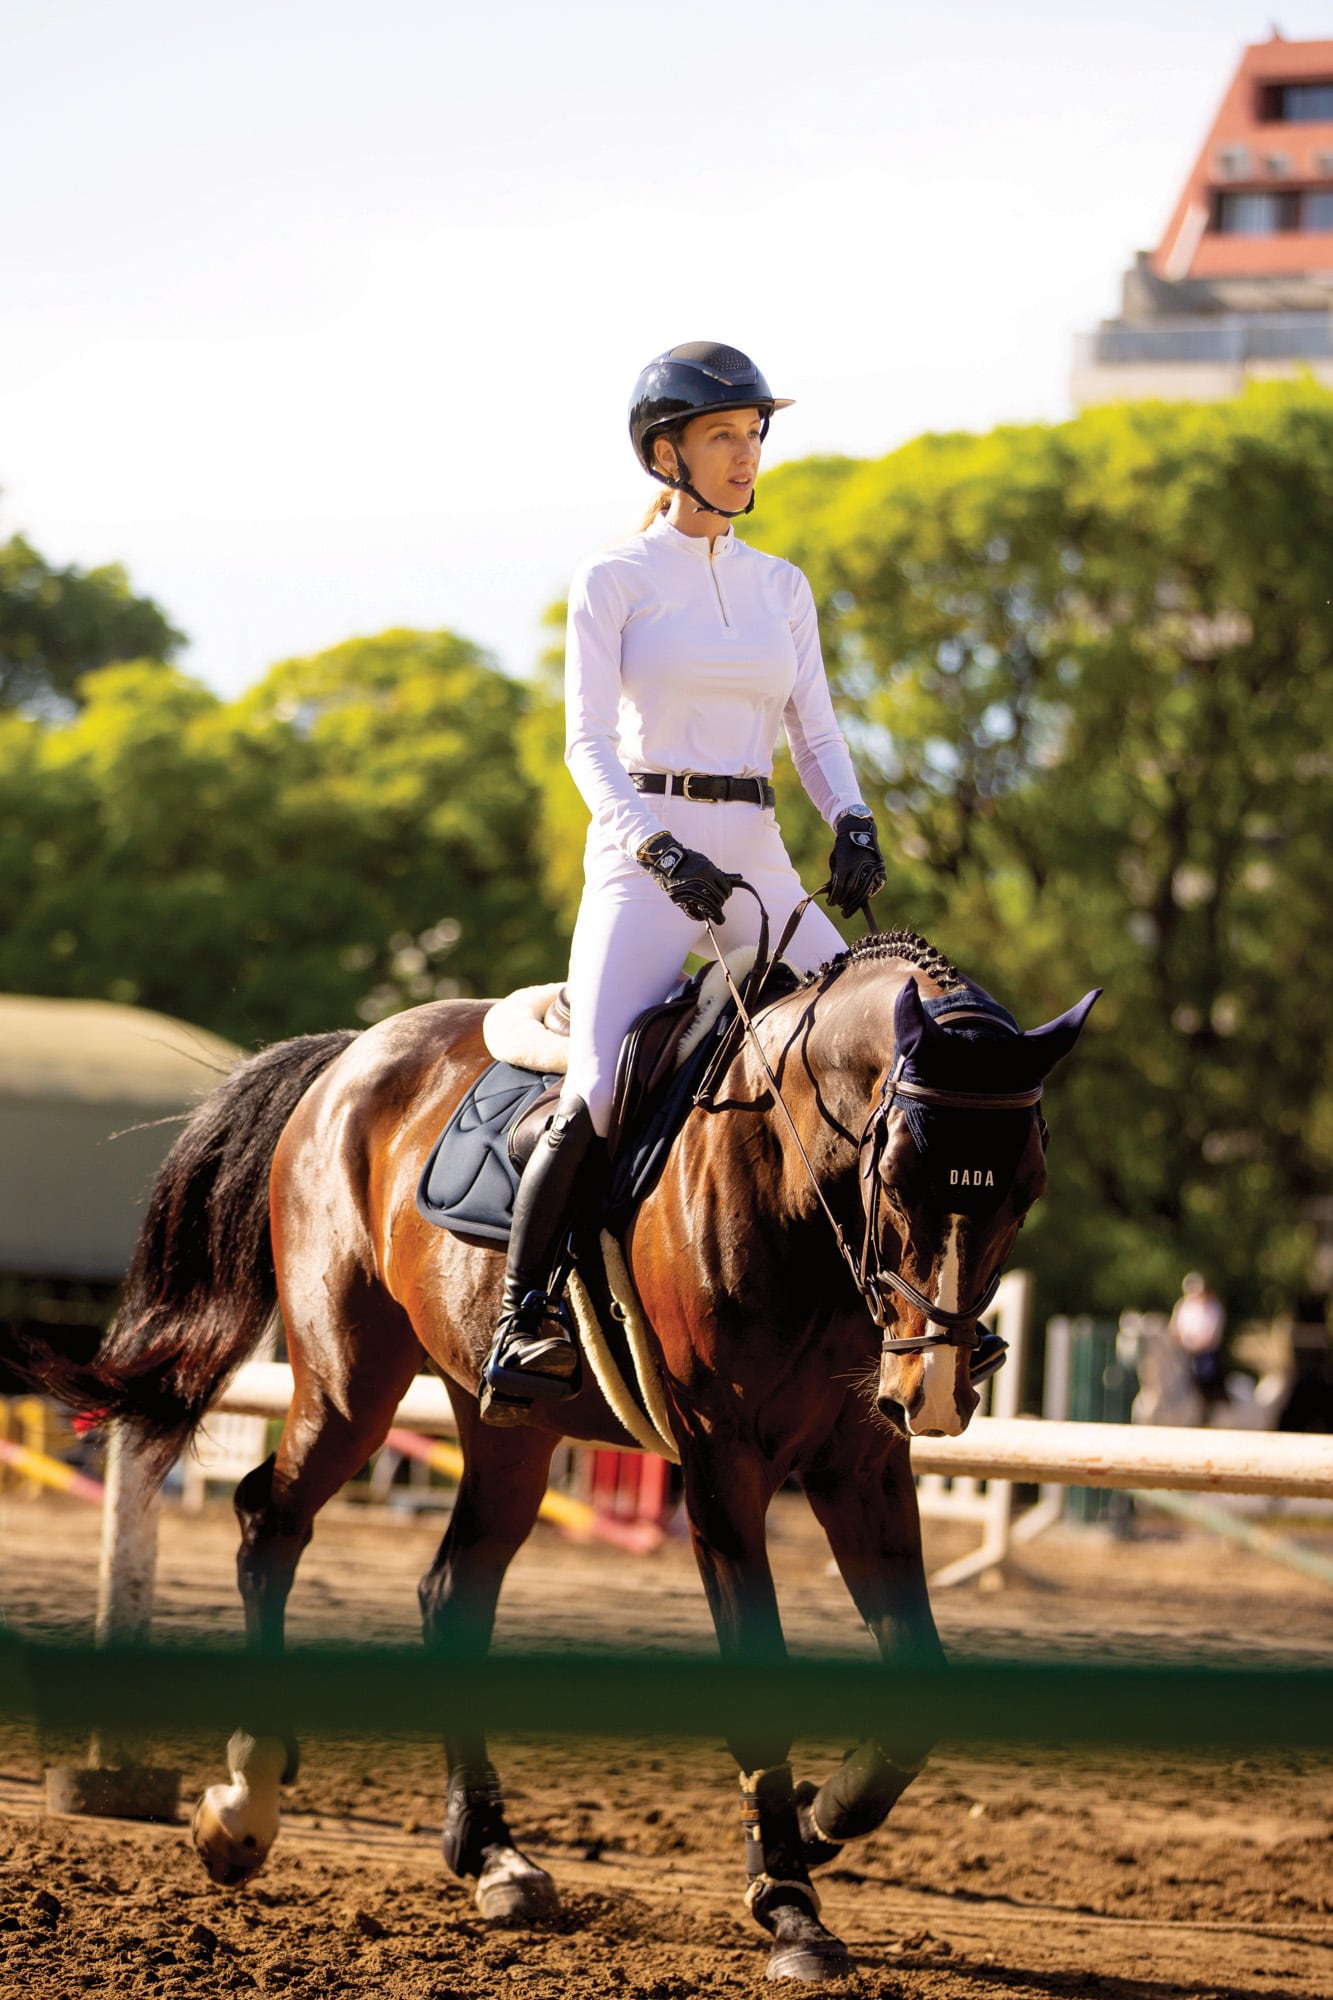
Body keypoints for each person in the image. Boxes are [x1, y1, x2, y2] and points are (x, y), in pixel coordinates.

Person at [480, 341, 885, 1424]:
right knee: (601, 1084)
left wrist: (852, 817)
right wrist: (656, 847)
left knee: (866, 1050)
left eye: (754, 433)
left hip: (755, 844)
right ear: (668, 452)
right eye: (724, 435)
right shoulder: (613, 579)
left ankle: (884, 1302)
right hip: (641, 856)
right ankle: (525, 1314)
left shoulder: (779, 587)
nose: (747, 454)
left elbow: (815, 727)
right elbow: (583, 745)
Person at [1168, 1271, 1227, 1404]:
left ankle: (1208, 1408)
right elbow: (1173, 1328)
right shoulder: (1182, 1305)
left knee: (1204, 1375)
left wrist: (1195, 1344)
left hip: (1204, 1353)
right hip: (1181, 1351)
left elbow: (1211, 1335)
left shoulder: (1213, 1306)